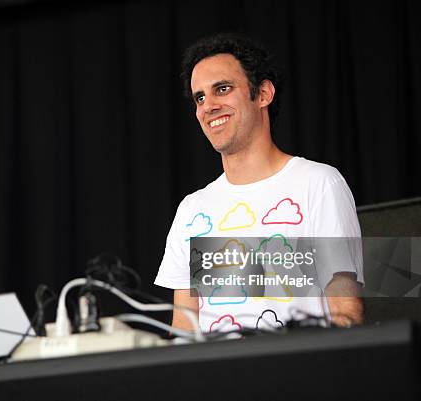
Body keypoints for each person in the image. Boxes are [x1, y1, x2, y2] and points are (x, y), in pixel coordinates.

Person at [154, 33, 364, 333]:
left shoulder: (319, 184)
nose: (207, 106)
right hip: (211, 379)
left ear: (263, 94)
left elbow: (347, 316)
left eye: (222, 89)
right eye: (200, 97)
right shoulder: (191, 209)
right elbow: (183, 331)